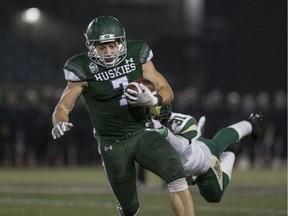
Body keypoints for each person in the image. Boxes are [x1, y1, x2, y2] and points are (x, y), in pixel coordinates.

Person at [51, 15, 195, 216]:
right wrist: (60, 121)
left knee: (175, 170)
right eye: (101, 47)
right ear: (91, 47)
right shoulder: (82, 67)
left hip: (142, 131)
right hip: (112, 143)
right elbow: (63, 106)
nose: (108, 52)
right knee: (129, 207)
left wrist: (153, 101)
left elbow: (166, 91)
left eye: (112, 45)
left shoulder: (137, 54)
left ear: (122, 42)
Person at [146, 105, 263, 202]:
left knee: (215, 196)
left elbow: (180, 147)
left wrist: (165, 132)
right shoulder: (147, 128)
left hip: (204, 160)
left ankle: (231, 151)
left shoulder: (181, 122)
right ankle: (251, 124)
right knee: (217, 143)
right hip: (193, 156)